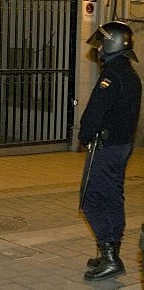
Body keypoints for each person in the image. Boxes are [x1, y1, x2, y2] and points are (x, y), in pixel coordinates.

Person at [78, 21, 142, 281]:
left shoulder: (110, 76)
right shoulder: (130, 74)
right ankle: (109, 253)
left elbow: (94, 114)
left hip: (106, 148)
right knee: (113, 198)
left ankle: (111, 258)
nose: (100, 48)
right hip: (122, 147)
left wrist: (84, 136)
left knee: (90, 200)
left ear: (111, 44)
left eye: (103, 43)